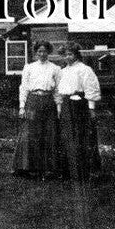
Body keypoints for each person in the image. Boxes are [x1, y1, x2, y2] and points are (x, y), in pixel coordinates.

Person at [56, 42, 102, 181]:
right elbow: (59, 92)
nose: (68, 57)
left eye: (71, 54)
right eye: (65, 55)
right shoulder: (62, 71)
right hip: (66, 105)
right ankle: (68, 172)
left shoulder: (84, 69)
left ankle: (84, 171)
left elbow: (91, 89)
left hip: (80, 105)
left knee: (81, 137)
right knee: (67, 137)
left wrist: (91, 108)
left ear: (76, 55)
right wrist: (59, 108)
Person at [14, 41, 61, 177]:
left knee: (48, 134)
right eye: (39, 51)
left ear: (48, 52)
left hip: (48, 102)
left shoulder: (55, 69)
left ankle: (48, 168)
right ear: (36, 52)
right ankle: (27, 167)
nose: (42, 54)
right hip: (32, 101)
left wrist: (58, 107)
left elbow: (57, 90)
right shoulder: (29, 67)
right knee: (30, 133)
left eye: (44, 51)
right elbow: (23, 88)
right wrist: (22, 106)